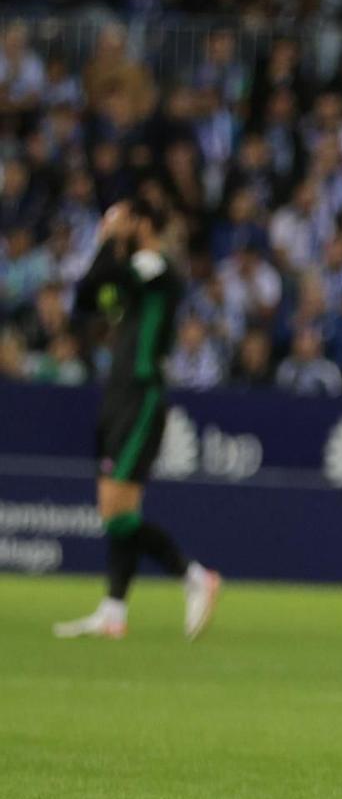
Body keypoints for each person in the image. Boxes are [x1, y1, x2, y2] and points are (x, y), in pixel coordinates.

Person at [53, 198, 222, 642]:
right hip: (118, 392)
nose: (111, 227)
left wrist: (110, 240)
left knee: (116, 511)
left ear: (142, 223)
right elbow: (86, 296)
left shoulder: (157, 266)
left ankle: (193, 576)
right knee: (119, 511)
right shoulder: (126, 269)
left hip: (142, 394)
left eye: (121, 219)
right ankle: (113, 611)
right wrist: (107, 242)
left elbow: (108, 277)